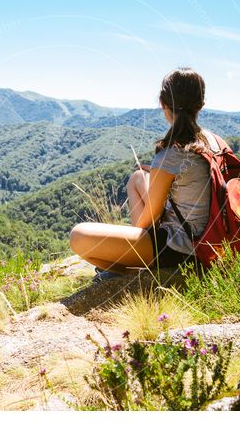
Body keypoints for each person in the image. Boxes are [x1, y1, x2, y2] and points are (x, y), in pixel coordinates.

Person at [69, 67, 220, 281]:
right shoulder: (213, 141)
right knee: (138, 177)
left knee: (78, 236)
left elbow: (145, 221)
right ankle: (133, 261)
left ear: (162, 103)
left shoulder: (172, 153)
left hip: (182, 248)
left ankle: (128, 269)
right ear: (201, 105)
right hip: (209, 235)